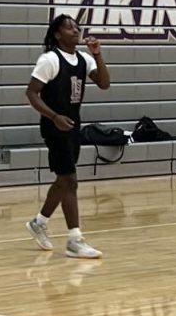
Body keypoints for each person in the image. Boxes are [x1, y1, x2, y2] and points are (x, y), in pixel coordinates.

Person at [23, 14, 110, 259]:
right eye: (69, 28)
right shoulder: (49, 59)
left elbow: (104, 83)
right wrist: (53, 117)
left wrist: (97, 54)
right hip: (54, 126)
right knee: (70, 181)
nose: (75, 31)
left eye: (77, 27)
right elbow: (31, 93)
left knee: (63, 181)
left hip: (73, 125)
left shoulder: (84, 59)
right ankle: (75, 239)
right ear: (57, 34)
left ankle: (39, 222)